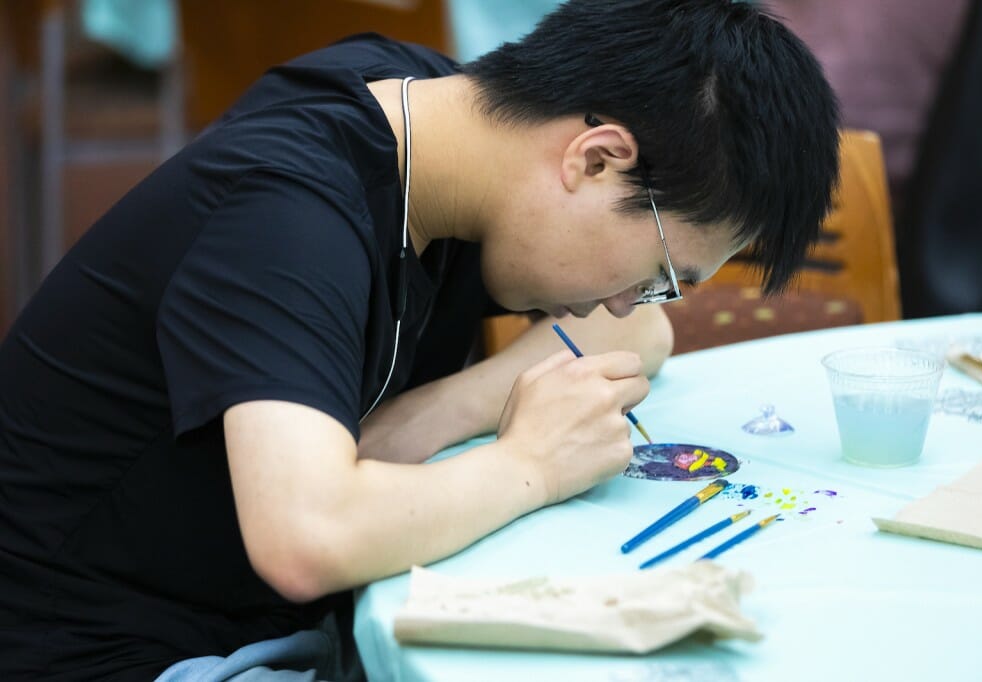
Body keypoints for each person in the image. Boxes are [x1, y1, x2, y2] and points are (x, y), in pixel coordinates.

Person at [0, 1, 838, 679]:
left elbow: (642, 334)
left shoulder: (440, 121)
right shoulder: (289, 215)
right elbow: (308, 537)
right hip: (103, 644)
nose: (629, 304)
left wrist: (450, 405)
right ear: (595, 159)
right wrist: (528, 464)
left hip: (259, 614)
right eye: (657, 267)